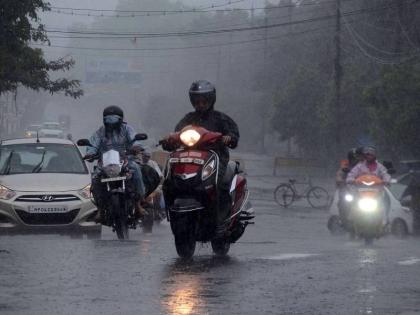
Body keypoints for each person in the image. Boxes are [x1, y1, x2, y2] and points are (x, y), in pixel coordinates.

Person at [163, 80, 240, 238]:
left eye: (204, 100)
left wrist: (228, 138)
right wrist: (168, 140)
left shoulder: (220, 119)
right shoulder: (188, 119)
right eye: (197, 100)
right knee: (169, 182)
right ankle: (173, 217)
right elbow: (176, 134)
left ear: (211, 100)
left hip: (215, 157)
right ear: (192, 101)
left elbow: (233, 135)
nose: (200, 103)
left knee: (220, 184)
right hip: (189, 159)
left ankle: (221, 221)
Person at [85, 105, 147, 221]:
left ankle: (139, 204)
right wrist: (90, 153)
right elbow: (93, 145)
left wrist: (136, 147)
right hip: (105, 163)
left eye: (114, 119)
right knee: (95, 178)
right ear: (104, 120)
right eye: (108, 120)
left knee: (136, 170)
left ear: (121, 119)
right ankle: (100, 209)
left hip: (125, 160)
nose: (111, 123)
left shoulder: (127, 129)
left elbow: (135, 139)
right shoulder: (100, 132)